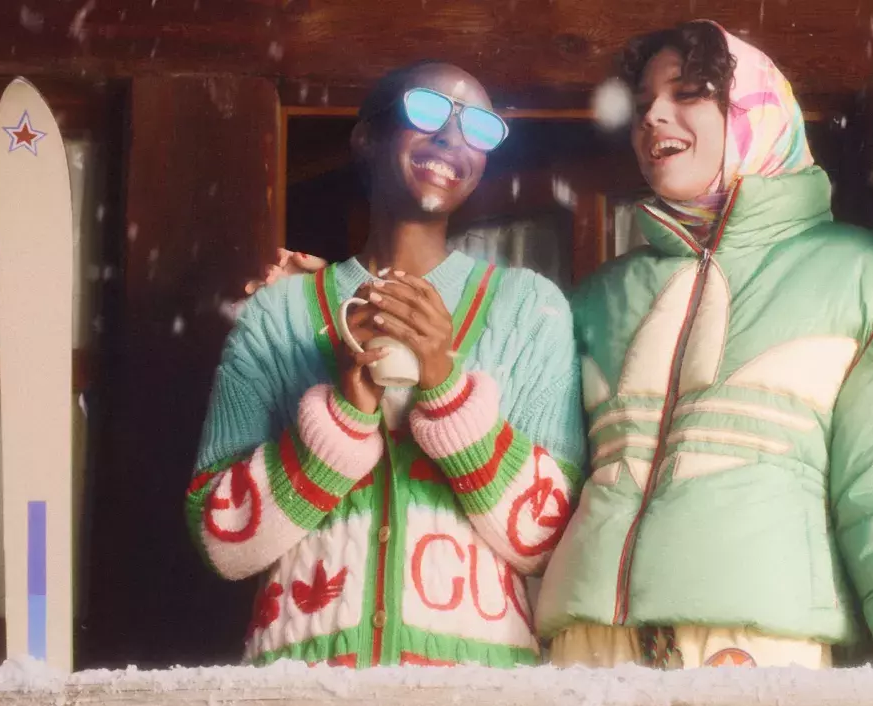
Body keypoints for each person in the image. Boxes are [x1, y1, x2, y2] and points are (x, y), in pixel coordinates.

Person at [531, 21, 873, 677]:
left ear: (755, 111)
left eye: (688, 93)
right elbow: (533, 486)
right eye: (643, 103)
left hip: (756, 652)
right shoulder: (600, 296)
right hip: (584, 654)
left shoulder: (853, 273)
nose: (654, 117)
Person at [186, 61, 584, 669]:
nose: (452, 137)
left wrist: (445, 389)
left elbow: (550, 543)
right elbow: (221, 541)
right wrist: (343, 415)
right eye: (427, 110)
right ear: (367, 137)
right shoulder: (279, 313)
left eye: (478, 127)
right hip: (298, 695)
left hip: (481, 699)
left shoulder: (530, 309)